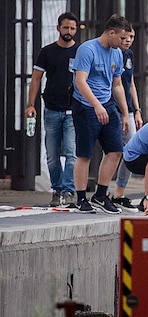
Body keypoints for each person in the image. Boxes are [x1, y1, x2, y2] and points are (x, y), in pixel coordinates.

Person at [71, 14, 131, 214]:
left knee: (116, 150)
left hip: (108, 104)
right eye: (122, 38)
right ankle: (81, 197)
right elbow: (81, 81)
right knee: (85, 153)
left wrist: (125, 113)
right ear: (111, 33)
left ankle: (101, 194)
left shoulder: (117, 54)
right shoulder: (87, 49)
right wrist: (96, 105)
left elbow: (118, 85)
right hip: (86, 105)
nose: (125, 42)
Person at [25, 12, 80, 207]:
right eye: (65, 28)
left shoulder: (80, 51)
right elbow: (36, 78)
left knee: (72, 153)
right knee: (52, 155)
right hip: (51, 109)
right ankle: (56, 190)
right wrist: (30, 104)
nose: (69, 32)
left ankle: (69, 190)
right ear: (58, 28)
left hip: (73, 110)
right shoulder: (47, 52)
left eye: (72, 28)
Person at [111, 27, 144, 210]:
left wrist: (137, 110)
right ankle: (103, 192)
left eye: (132, 36)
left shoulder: (129, 55)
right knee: (111, 150)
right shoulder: (111, 53)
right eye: (125, 37)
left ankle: (119, 192)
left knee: (130, 150)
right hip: (111, 107)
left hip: (128, 109)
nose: (128, 40)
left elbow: (130, 83)